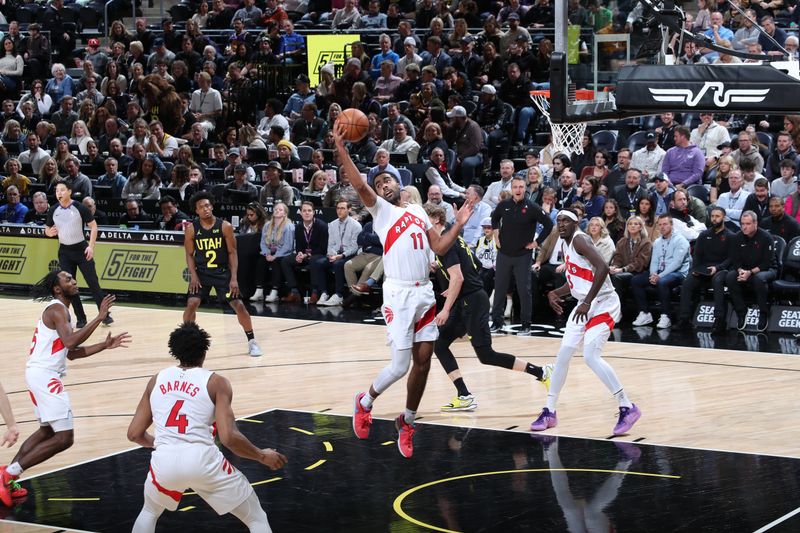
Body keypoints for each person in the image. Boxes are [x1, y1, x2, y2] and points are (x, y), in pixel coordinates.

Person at [334, 120, 475, 458]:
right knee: (399, 366)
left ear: (400, 186)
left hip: (423, 292)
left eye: (388, 181)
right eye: (379, 182)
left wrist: (459, 223)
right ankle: (365, 401)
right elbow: (358, 183)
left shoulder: (417, 211)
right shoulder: (381, 213)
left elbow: (439, 248)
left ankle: (407, 422)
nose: (383, 185)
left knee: (424, 361)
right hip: (398, 294)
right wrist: (341, 149)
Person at [127, 322, 286, 533]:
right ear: (204, 352)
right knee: (256, 518)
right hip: (202, 459)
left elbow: (134, 434)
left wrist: (163, 443)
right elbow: (229, 438)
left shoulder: (156, 380)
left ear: (174, 350)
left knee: (149, 511)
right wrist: (261, 455)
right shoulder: (216, 383)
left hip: (164, 460)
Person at [0, 271, 130, 507]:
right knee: (65, 437)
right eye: (68, 279)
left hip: (39, 373)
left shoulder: (61, 311)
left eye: (73, 278)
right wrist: (99, 317)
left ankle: (8, 477)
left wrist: (104, 345)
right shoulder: (57, 309)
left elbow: (71, 353)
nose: (74, 281)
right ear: (57, 289)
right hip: (45, 376)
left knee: (47, 432)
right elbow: (71, 342)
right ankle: (8, 474)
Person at [425, 204, 550, 412]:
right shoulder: (451, 239)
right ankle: (463, 394)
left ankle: (541, 372)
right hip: (467, 299)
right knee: (440, 344)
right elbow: (473, 263)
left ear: (436, 220)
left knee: (486, 356)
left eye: (424, 220)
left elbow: (459, 277)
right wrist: (453, 282)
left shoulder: (446, 244)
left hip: (472, 302)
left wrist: (446, 307)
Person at [531, 209, 640, 435]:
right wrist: (555, 293)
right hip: (586, 303)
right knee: (563, 355)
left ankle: (627, 406)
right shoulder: (565, 244)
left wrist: (587, 302)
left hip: (603, 302)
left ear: (576, 223)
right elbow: (577, 283)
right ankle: (549, 411)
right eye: (558, 221)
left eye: (566, 221)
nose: (561, 224)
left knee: (591, 356)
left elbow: (602, 268)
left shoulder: (580, 240)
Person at [183, 192, 263, 357]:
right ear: (196, 211)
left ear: (211, 206)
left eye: (207, 205)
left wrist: (234, 278)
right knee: (191, 303)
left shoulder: (224, 226)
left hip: (222, 273)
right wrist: (194, 276)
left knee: (239, 306)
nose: (205, 209)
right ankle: (187, 341)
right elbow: (189, 254)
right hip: (202, 273)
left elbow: (232, 253)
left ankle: (252, 341)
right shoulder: (191, 229)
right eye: (201, 207)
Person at [489, 176, 553, 334]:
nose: (518, 190)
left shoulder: (532, 207)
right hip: (504, 254)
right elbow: (495, 218)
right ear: (511, 189)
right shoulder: (504, 205)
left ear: (525, 188)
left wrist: (537, 242)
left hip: (523, 255)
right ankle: (496, 323)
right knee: (500, 288)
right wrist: (496, 236)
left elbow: (549, 224)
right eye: (515, 187)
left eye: (521, 187)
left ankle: (526, 325)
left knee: (524, 290)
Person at [45, 180, 108, 328]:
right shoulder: (53, 209)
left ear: (69, 191)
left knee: (93, 282)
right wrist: (49, 232)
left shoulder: (79, 207)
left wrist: (91, 247)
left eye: (62, 190)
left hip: (81, 249)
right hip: (65, 252)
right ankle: (81, 318)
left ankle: (104, 315)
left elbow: (93, 226)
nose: (58, 193)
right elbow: (47, 229)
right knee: (69, 286)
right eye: (56, 191)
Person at [674, 206, 733, 331]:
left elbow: (730, 259)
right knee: (687, 282)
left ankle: (719, 320)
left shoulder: (730, 236)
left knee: (717, 281)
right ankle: (684, 319)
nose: (714, 219)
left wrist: (717, 268)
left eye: (717, 216)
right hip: (703, 269)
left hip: (721, 270)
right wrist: (696, 269)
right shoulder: (704, 235)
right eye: (712, 216)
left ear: (724, 218)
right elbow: (697, 255)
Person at [630, 215, 692, 329]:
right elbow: (654, 260)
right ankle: (645, 313)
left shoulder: (681, 240)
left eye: (665, 224)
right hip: (660, 272)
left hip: (679, 273)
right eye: (660, 224)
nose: (662, 227)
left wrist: (659, 276)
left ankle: (665, 316)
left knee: (662, 282)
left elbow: (677, 263)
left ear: (671, 225)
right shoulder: (658, 241)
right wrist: (653, 274)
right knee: (636, 280)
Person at [724, 211, 778, 331]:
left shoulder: (766, 237)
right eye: (742, 223)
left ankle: (763, 313)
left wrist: (750, 273)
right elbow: (735, 259)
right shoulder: (737, 237)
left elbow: (766, 263)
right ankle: (741, 311)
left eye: (748, 224)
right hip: (745, 269)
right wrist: (740, 271)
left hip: (767, 269)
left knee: (759, 279)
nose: (744, 227)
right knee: (730, 277)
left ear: (755, 223)